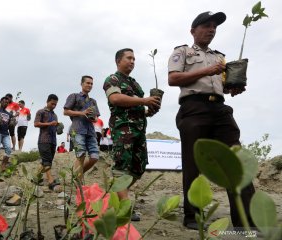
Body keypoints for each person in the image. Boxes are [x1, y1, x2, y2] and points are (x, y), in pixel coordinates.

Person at [167, 11, 255, 230]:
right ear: (193, 31)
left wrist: (233, 87)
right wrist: (208, 70)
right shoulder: (182, 52)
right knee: (192, 164)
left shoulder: (219, 57)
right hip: (193, 108)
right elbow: (173, 78)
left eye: (214, 26)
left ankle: (246, 222)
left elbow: (221, 84)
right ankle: (192, 216)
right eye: (206, 25)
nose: (212, 29)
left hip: (220, 109)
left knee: (236, 161)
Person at [103, 48, 161, 221]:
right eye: (129, 58)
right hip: (123, 129)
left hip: (139, 129)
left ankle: (116, 195)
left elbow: (137, 105)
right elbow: (115, 99)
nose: (132, 61)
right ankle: (124, 208)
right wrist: (144, 101)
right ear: (118, 60)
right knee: (122, 167)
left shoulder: (135, 84)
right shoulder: (112, 79)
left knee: (138, 167)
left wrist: (147, 110)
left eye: (134, 59)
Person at [64, 76, 100, 181]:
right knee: (81, 155)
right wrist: (82, 113)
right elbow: (66, 111)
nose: (89, 85)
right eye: (87, 83)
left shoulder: (93, 101)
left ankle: (77, 176)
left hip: (91, 131)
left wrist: (94, 119)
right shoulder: (74, 96)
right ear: (82, 84)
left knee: (94, 157)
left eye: (91, 83)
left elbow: (96, 118)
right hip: (78, 130)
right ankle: (79, 182)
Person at [34, 94, 61, 192]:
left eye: (55, 104)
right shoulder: (40, 112)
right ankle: (51, 181)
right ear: (47, 101)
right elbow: (36, 124)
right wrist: (49, 124)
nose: (54, 106)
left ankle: (35, 178)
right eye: (52, 103)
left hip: (53, 141)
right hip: (43, 140)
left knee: (46, 161)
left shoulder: (55, 115)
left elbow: (56, 128)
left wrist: (58, 127)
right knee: (47, 162)